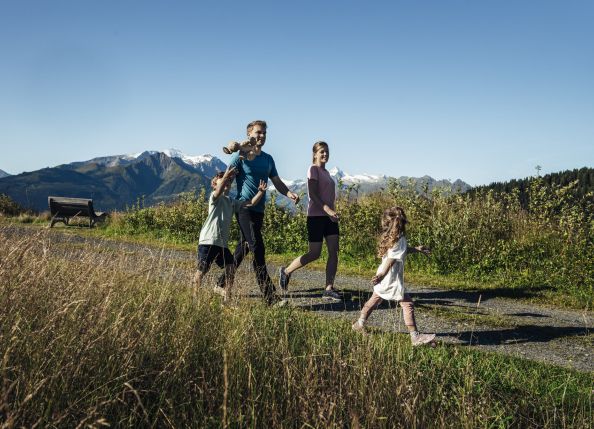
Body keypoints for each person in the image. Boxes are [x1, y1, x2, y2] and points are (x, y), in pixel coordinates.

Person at [217, 120, 300, 305]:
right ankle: (270, 297)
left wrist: (289, 193)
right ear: (249, 134)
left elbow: (277, 181)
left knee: (243, 247)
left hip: (259, 210)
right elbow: (227, 176)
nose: (261, 136)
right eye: (258, 132)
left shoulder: (268, 159)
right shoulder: (242, 155)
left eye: (264, 133)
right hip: (243, 208)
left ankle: (221, 283)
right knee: (258, 249)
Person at [352, 206, 436, 346]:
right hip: (390, 280)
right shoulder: (400, 239)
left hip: (384, 278)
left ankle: (359, 324)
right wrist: (381, 275)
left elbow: (400, 251)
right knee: (407, 304)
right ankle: (415, 336)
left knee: (374, 300)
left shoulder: (392, 238)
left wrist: (416, 249)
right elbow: (391, 260)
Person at [193, 166, 267, 302]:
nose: (227, 182)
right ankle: (195, 299)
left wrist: (260, 193)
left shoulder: (231, 202)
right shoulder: (214, 198)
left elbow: (249, 204)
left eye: (228, 181)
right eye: (222, 181)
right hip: (208, 241)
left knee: (231, 267)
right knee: (202, 270)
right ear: (214, 185)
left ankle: (226, 298)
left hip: (221, 244)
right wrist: (227, 174)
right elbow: (220, 187)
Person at [278, 141, 341, 300]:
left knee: (334, 251)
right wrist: (327, 209)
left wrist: (331, 213)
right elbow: (312, 194)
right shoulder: (313, 169)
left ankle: (328, 288)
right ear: (315, 154)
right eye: (322, 152)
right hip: (316, 217)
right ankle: (286, 271)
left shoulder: (327, 173)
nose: (325, 154)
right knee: (315, 253)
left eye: (327, 151)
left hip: (330, 218)